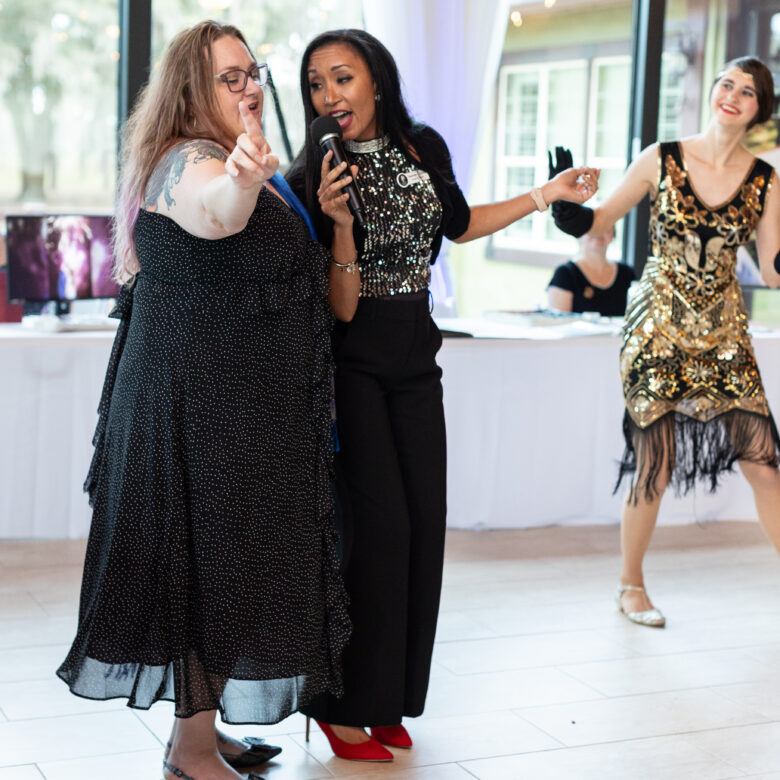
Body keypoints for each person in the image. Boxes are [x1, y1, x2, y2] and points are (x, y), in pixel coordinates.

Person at [286, 28, 598, 761]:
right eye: (316, 85)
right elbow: (341, 308)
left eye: (342, 78)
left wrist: (543, 196)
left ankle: (389, 699)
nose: (330, 96)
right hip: (355, 362)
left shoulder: (424, 147)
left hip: (417, 358)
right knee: (380, 532)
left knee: (426, 527)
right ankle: (340, 706)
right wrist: (337, 227)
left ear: (377, 83)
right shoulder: (316, 172)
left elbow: (459, 226)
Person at [56, 20, 351, 780]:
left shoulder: (223, 155)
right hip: (195, 410)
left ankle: (202, 732)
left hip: (233, 407)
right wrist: (246, 176)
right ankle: (190, 753)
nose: (249, 86)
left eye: (253, 72)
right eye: (231, 76)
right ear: (193, 88)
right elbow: (216, 211)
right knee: (204, 567)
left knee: (227, 565)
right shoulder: (185, 161)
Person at [551, 56, 780, 628]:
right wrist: (569, 212)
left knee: (764, 465)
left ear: (759, 109)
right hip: (656, 321)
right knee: (656, 455)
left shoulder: (765, 179)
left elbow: (772, 271)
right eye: (726, 83)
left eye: (746, 91)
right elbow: (602, 218)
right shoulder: (663, 157)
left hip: (726, 330)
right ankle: (631, 586)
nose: (731, 95)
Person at [547, 149, 634, 315]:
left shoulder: (626, 274)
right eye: (591, 228)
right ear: (578, 234)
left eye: (604, 226)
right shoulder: (566, 275)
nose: (598, 233)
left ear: (613, 232)